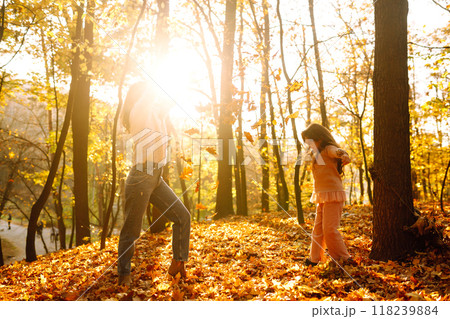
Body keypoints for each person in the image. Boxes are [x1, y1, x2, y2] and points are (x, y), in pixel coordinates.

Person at [117, 82, 191, 287]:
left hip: (156, 177)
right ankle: (123, 274)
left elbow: (170, 99)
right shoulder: (139, 111)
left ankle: (178, 263)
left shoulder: (156, 116)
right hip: (141, 176)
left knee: (183, 216)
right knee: (131, 231)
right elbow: (150, 94)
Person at [301, 123, 352, 266]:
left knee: (329, 229)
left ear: (320, 138)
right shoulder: (316, 155)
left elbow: (337, 151)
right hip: (322, 196)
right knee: (318, 229)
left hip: (334, 194)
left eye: (310, 141)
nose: (309, 145)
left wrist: (344, 155)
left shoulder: (328, 149)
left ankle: (344, 258)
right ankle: (314, 258)